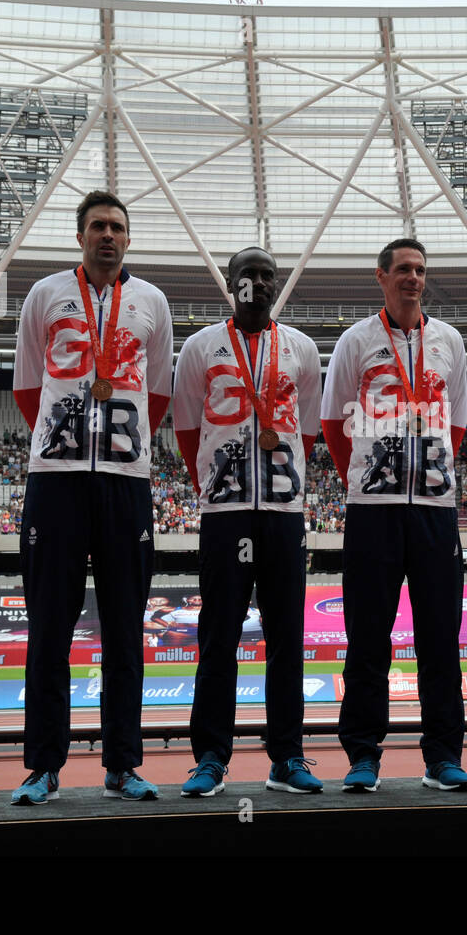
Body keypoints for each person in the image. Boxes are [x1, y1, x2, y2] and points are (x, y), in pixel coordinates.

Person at [10, 191, 173, 805]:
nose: (109, 235)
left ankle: (122, 765)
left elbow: (157, 395)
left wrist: (121, 449)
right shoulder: (45, 295)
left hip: (127, 484)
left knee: (126, 629)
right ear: (80, 235)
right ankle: (44, 765)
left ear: (129, 239)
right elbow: (29, 387)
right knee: (49, 627)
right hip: (55, 481)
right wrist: (64, 446)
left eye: (118, 228)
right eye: (99, 226)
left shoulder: (153, 303)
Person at [321, 238, 467, 791]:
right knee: (367, 640)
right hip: (373, 511)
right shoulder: (355, 341)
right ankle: (363, 754)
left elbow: (455, 424)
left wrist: (430, 474)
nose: (413, 278)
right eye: (403, 269)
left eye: (420, 270)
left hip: (434, 508)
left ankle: (443, 757)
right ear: (381, 276)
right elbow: (336, 425)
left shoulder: (450, 341)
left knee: (440, 639)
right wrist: (364, 480)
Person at [172, 246, 322, 797]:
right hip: (226, 512)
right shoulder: (199, 347)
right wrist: (217, 487)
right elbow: (188, 429)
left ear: (276, 285)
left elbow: (306, 430)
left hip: (283, 512)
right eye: (246, 275)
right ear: (230, 283)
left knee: (288, 639)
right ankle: (211, 756)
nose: (257, 283)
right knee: (219, 638)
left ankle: (288, 756)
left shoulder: (302, 349)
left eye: (266, 276)